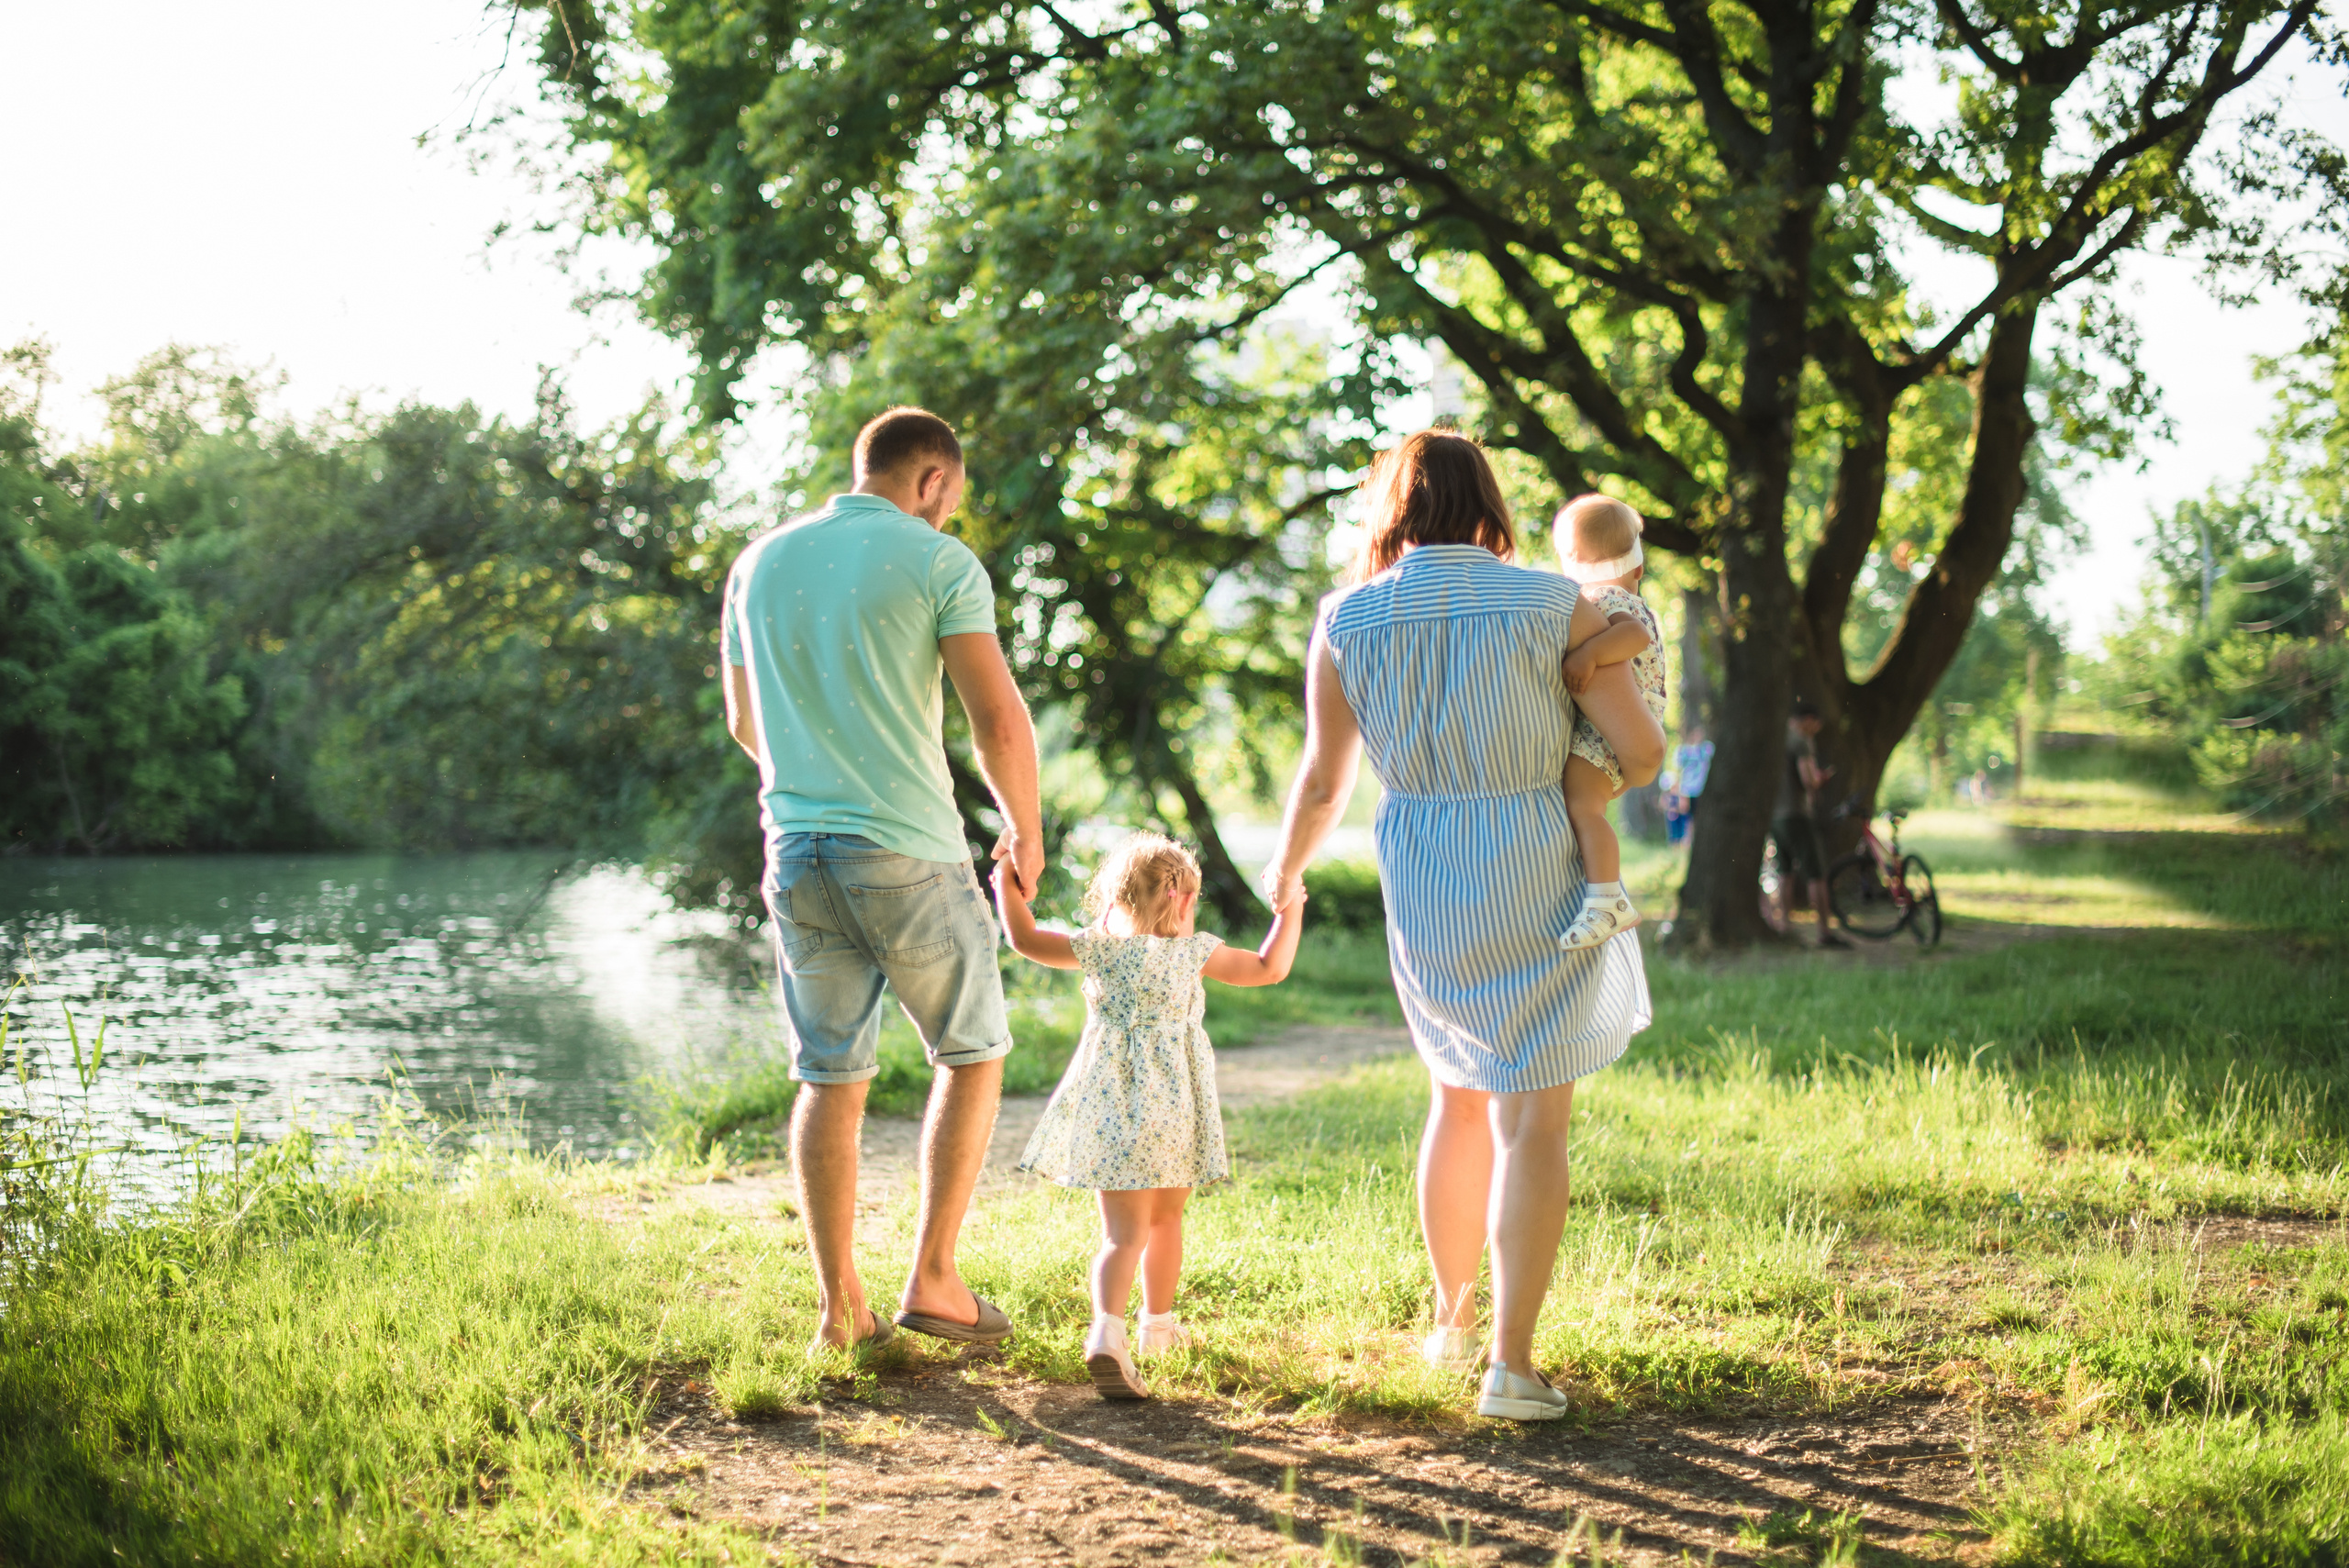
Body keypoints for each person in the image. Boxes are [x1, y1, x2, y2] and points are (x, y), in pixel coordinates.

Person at [1258, 431, 1664, 1422]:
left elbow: (1322, 779)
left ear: (1393, 508)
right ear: (1490, 503)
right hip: (1534, 847)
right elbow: (1640, 748)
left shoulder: (1346, 614)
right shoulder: (1557, 601)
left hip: (1422, 858)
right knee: (1535, 1117)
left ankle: (1449, 1320)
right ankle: (1511, 1364)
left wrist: (1286, 872)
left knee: (1457, 1091)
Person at [719, 406, 1044, 1352]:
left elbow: (747, 723)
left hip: (795, 850)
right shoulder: (938, 560)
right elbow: (997, 719)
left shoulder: (760, 560)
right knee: (973, 1050)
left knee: (828, 1075)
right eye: (953, 495)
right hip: (905, 849)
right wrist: (1023, 831)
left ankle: (838, 1309)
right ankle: (935, 1278)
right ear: (933, 479)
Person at [993, 834, 1305, 1400]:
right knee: (1166, 1220)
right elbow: (1269, 967)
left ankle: (1109, 1330)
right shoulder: (1195, 952)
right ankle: (1155, 1326)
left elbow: (1024, 938)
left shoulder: (1098, 950)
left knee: (1122, 1235)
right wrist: (1291, 907)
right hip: (1175, 1113)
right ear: (1179, 899)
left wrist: (1005, 882)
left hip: (1110, 1111)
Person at [1553, 495, 1667, 949]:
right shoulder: (1626, 595)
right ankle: (1600, 892)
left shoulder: (1606, 598)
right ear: (1639, 566)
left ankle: (1608, 899)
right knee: (1585, 805)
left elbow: (1632, 637)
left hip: (1609, 732)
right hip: (1623, 727)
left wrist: (1587, 653)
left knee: (1583, 806)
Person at [1772, 703, 1847, 950]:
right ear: (1808, 720)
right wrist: (1820, 780)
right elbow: (1808, 779)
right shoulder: (1800, 741)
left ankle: (1784, 925)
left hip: (1775, 816)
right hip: (1797, 814)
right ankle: (1824, 931)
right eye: (1815, 726)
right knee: (1816, 873)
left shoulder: (1774, 737)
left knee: (1784, 872)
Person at [1664, 723, 1713, 845]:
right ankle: (1686, 842)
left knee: (1699, 816)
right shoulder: (1682, 751)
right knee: (1686, 817)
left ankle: (1697, 842)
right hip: (1686, 790)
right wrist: (1678, 790)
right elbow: (1678, 771)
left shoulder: (1707, 749)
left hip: (1701, 788)